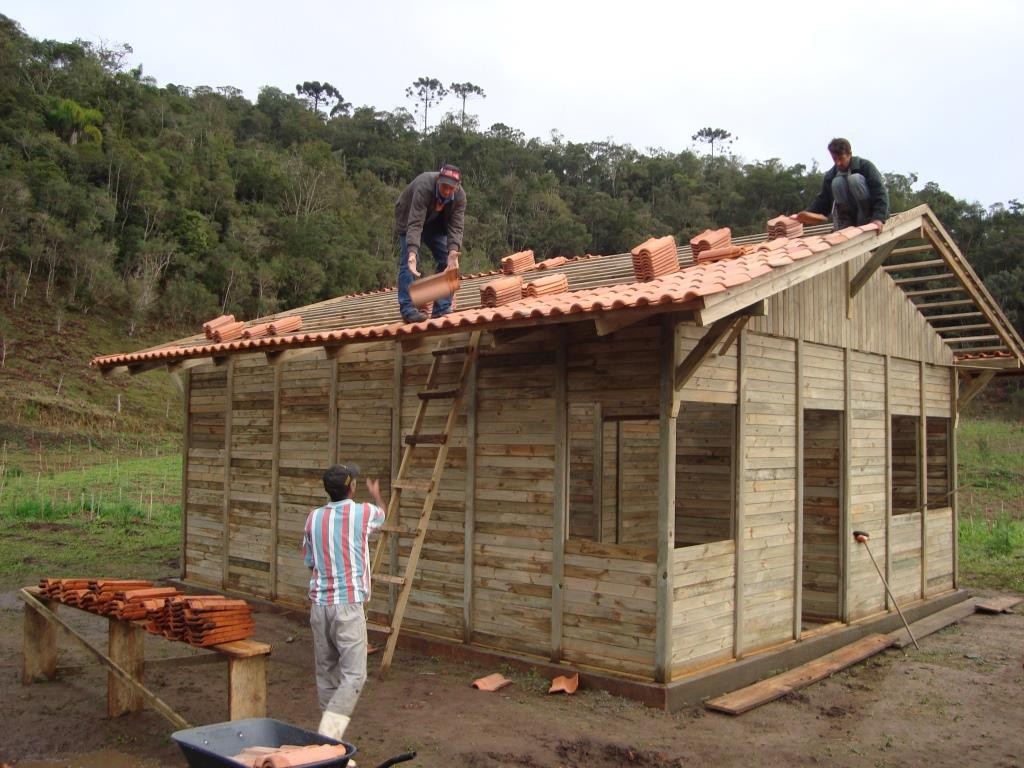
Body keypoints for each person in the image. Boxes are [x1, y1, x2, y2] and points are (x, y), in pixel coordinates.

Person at [302, 462, 387, 742]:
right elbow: (382, 515)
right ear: (351, 487)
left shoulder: (313, 518)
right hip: (348, 606)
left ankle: (330, 744)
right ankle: (329, 735)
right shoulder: (363, 512)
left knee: (326, 673)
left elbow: (310, 561)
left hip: (319, 606)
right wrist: (376, 494)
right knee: (355, 675)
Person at [394, 163, 466, 323]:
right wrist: (412, 252)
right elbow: (415, 223)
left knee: (447, 259)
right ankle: (407, 309)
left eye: (451, 188)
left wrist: (453, 252)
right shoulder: (424, 186)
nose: (447, 191)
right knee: (409, 262)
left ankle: (442, 307)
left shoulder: (460, 197)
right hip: (409, 217)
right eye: (444, 186)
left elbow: (456, 227)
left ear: (457, 186)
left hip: (434, 222)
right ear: (438, 180)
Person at [797, 138, 889, 230]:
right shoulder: (831, 175)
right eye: (834, 159)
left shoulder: (866, 167)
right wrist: (805, 214)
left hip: (868, 216)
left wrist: (878, 218)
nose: (838, 163)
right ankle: (846, 222)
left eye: (841, 159)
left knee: (855, 179)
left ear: (849, 155)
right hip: (850, 217)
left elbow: (880, 193)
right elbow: (823, 201)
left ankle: (866, 219)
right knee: (837, 182)